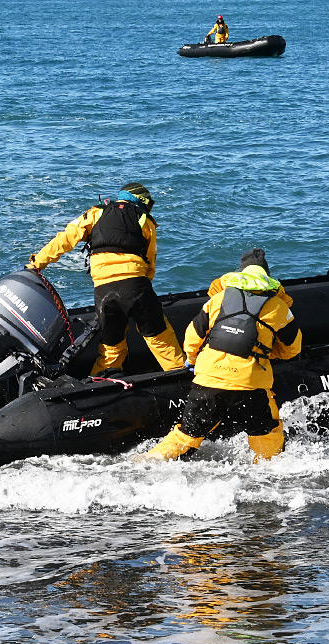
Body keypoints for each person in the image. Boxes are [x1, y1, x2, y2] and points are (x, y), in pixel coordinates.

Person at [149, 249, 302, 462]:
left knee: (185, 435)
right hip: (250, 386)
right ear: (267, 277)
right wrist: (267, 352)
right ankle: (268, 471)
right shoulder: (278, 306)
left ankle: (147, 462)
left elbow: (192, 337)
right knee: (268, 437)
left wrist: (192, 361)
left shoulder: (218, 299)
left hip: (208, 380)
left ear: (239, 273)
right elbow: (292, 348)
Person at [28, 182, 186, 376]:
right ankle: (182, 377)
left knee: (111, 348)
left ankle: (97, 384)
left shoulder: (95, 213)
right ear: (141, 201)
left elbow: (64, 240)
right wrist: (143, 290)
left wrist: (36, 264)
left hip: (104, 291)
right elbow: (150, 261)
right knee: (161, 340)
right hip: (135, 286)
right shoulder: (145, 220)